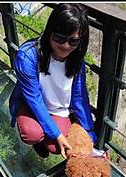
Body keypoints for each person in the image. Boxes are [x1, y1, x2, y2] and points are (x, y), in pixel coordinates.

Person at [9, 4, 99, 159]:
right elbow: (34, 99)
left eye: (73, 41)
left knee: (55, 147)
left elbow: (79, 97)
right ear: (49, 32)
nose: (65, 46)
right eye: (59, 38)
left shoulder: (77, 61)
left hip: (57, 108)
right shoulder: (28, 56)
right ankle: (38, 138)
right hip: (31, 105)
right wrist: (56, 134)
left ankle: (45, 137)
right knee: (32, 134)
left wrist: (91, 139)